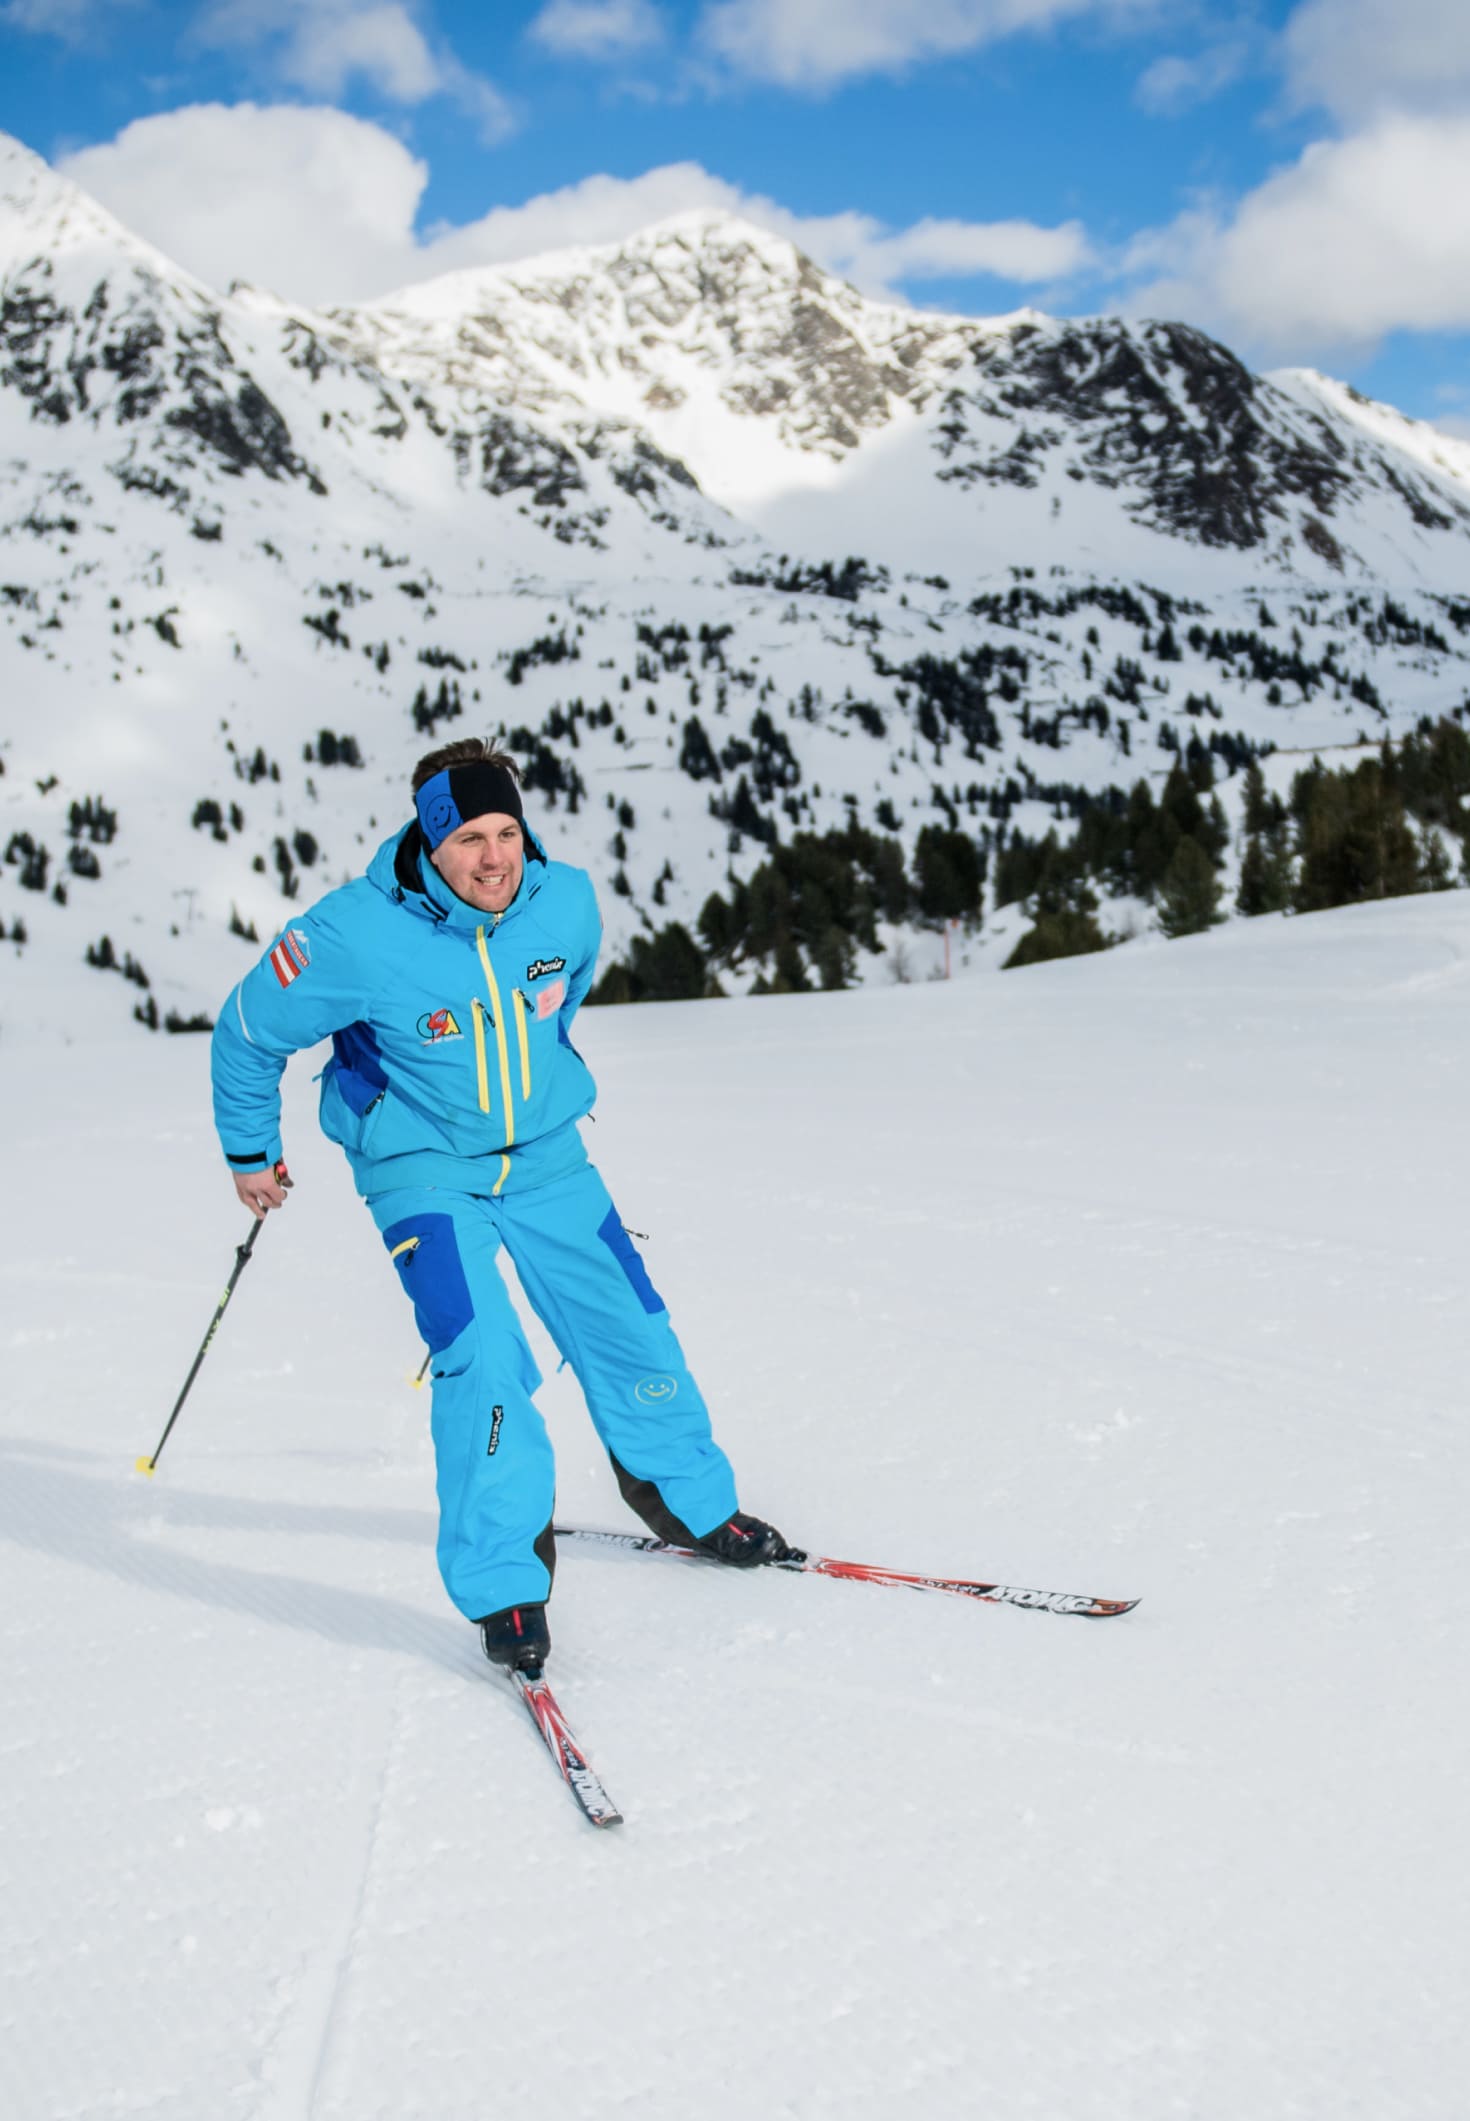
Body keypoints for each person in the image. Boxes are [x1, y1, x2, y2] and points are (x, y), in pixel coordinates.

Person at [210, 737, 788, 1673]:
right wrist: (251, 1151)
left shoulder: (566, 903)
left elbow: (556, 1002)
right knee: (483, 1359)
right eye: (470, 836)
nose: (494, 857)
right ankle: (507, 1587)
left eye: (507, 830)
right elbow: (244, 1032)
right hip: (423, 1170)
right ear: (429, 843)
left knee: (630, 1326)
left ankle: (691, 1500)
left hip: (551, 1159)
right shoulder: (352, 934)